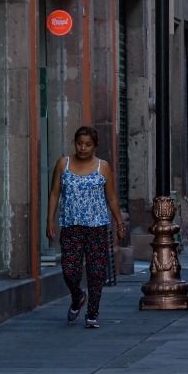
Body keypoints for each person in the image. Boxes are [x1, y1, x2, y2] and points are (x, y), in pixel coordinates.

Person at [46, 126, 125, 328]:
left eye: (88, 144)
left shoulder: (103, 167)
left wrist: (120, 223)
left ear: (95, 146)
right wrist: (49, 220)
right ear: (75, 143)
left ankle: (92, 313)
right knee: (69, 270)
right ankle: (78, 297)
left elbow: (112, 197)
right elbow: (55, 193)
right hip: (71, 226)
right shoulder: (63, 164)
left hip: (97, 226)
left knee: (96, 271)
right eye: (80, 143)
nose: (83, 148)